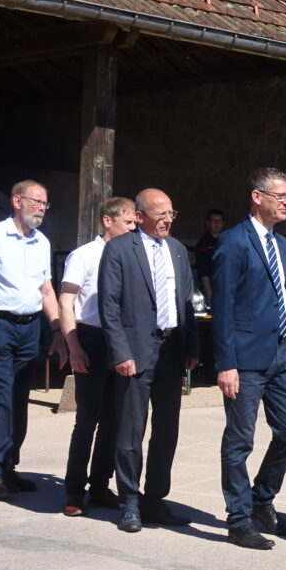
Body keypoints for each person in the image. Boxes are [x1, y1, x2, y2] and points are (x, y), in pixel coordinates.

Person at [98, 188, 199, 533]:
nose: (168, 220)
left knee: (167, 429)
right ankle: (129, 500)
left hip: (172, 351)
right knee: (131, 430)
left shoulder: (177, 250)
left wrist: (192, 346)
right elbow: (109, 306)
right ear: (139, 216)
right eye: (160, 214)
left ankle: (155, 499)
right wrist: (120, 352)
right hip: (136, 351)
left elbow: (187, 303)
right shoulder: (119, 249)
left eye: (171, 214)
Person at [212, 168, 286, 550]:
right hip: (245, 359)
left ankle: (261, 499)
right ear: (257, 197)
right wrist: (225, 363)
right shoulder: (233, 243)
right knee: (240, 441)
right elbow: (223, 306)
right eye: (281, 196)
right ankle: (238, 519)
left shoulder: (283, 247)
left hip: (282, 353)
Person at [0, 180, 67, 499]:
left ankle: (8, 466)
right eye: (36, 202)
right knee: (1, 397)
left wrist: (58, 331)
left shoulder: (42, 242)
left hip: (29, 327)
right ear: (17, 201)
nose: (41, 208)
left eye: (45, 204)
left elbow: (46, 290)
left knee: (20, 397)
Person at [58, 197, 137, 516]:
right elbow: (66, 301)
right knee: (87, 419)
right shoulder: (84, 255)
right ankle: (74, 491)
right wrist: (74, 346)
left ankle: (101, 485)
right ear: (108, 220)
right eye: (128, 222)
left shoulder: (132, 255)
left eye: (135, 223)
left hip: (122, 341)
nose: (133, 228)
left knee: (114, 420)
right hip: (91, 339)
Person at [194, 209, 225, 305]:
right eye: (214, 221)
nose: (217, 224)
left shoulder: (228, 241)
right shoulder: (203, 244)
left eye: (219, 221)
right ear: (208, 223)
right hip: (212, 288)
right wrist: (209, 294)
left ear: (223, 223)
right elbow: (204, 272)